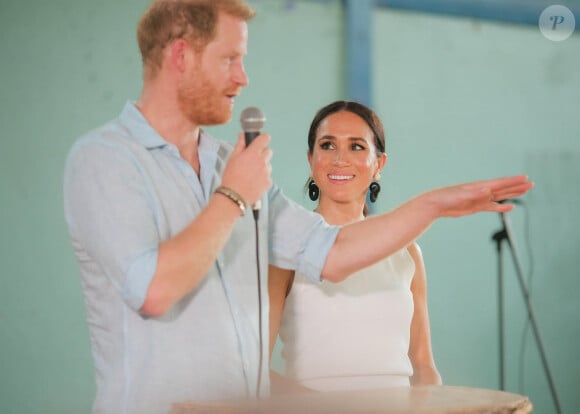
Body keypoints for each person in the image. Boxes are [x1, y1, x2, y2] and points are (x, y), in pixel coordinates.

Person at [62, 1, 532, 413]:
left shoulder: (232, 162)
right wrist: (232, 196)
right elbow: (153, 290)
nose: (242, 77)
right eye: (230, 59)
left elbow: (332, 254)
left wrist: (434, 205)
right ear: (181, 56)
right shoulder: (104, 159)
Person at [269, 101, 441, 393]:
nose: (340, 159)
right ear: (311, 159)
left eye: (357, 147)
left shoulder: (408, 252)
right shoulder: (288, 246)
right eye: (327, 145)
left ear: (379, 163)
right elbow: (251, 366)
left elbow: (423, 365)